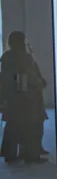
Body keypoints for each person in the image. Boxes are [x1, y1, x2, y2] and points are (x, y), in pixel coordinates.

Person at [0, 31, 48, 164]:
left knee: (14, 124)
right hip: (27, 97)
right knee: (31, 125)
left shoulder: (7, 57)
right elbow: (28, 76)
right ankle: (31, 154)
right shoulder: (24, 57)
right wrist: (40, 83)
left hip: (13, 96)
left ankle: (10, 153)